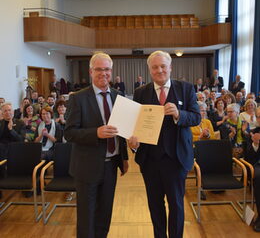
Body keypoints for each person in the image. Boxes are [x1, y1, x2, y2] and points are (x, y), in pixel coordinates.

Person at [128, 50, 201, 238]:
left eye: (163, 66)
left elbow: (196, 118)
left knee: (176, 205)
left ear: (170, 68)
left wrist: (179, 114)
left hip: (176, 159)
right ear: (149, 70)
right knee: (155, 206)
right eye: (155, 67)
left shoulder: (185, 88)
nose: (159, 70)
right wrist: (133, 143)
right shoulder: (140, 92)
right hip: (150, 160)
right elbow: (134, 126)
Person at [64, 52, 128, 238]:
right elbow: (69, 133)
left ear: (111, 71)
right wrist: (95, 133)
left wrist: (123, 157)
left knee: (104, 215)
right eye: (99, 69)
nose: (104, 73)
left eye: (107, 69)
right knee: (86, 218)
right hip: (86, 168)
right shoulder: (78, 98)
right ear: (91, 71)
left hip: (111, 167)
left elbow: (121, 132)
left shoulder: (118, 96)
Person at [244, 107, 260, 232]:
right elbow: (249, 157)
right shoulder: (254, 132)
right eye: (259, 116)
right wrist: (255, 144)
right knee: (258, 176)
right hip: (258, 164)